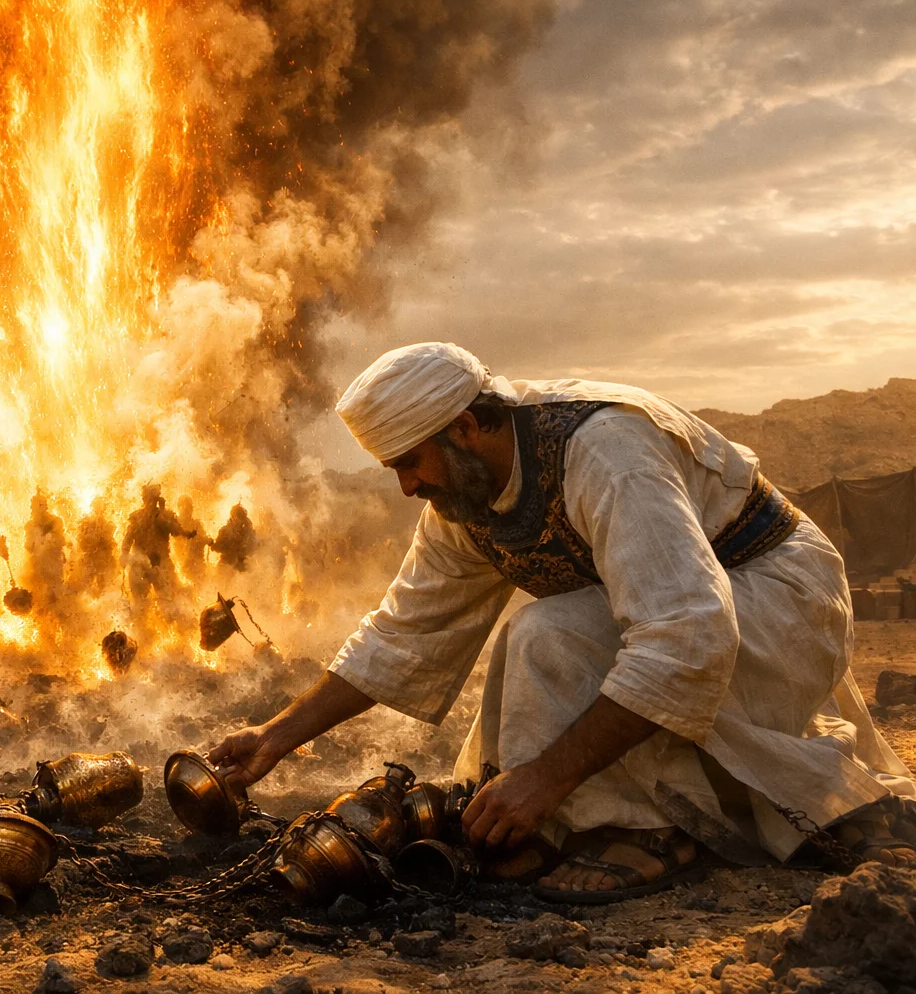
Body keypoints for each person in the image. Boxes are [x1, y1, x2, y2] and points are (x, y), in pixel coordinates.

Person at [212, 342, 914, 903]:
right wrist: (274, 738)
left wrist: (546, 778)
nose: (406, 487)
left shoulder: (605, 449)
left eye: (409, 463)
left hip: (777, 600)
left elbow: (688, 635)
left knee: (551, 635)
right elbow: (401, 634)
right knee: (543, 633)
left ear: (463, 426)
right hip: (682, 612)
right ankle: (585, 817)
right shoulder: (465, 497)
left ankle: (649, 829)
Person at [123, 484, 194, 613]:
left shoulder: (165, 515)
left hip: (162, 563)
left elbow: (176, 530)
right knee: (140, 605)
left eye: (153, 498)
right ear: (144, 499)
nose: (150, 501)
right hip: (140, 565)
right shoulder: (137, 517)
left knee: (168, 603)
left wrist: (162, 514)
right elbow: (128, 537)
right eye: (148, 498)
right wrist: (124, 554)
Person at [23, 490, 68, 611]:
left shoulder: (55, 522)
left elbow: (61, 541)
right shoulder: (30, 525)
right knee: (38, 599)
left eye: (40, 505)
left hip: (53, 564)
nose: (36, 509)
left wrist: (49, 540)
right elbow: (28, 547)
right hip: (38, 565)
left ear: (45, 506)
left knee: (55, 596)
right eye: (34, 506)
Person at [72, 498, 118, 596]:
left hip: (103, 561)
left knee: (104, 587)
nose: (98, 510)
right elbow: (81, 542)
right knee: (85, 586)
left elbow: (111, 544)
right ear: (92, 507)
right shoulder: (85, 524)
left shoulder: (108, 525)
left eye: (100, 507)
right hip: (89, 560)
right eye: (96, 507)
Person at [211, 503, 259, 572]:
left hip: (241, 567)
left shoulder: (247, 532)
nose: (240, 519)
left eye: (242, 516)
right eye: (238, 515)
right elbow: (216, 547)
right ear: (233, 516)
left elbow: (253, 547)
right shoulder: (226, 530)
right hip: (227, 565)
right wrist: (231, 548)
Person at [174, 496, 210, 587]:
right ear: (179, 508)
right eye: (184, 507)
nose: (187, 510)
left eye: (189, 507)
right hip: (178, 562)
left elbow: (202, 537)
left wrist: (208, 540)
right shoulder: (174, 522)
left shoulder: (196, 524)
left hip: (195, 565)